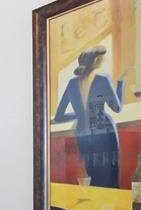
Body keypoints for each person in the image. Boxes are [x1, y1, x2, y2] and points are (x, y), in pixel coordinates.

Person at [53, 45, 124, 188]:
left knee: (93, 179)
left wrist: (80, 114)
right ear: (97, 60)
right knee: (110, 179)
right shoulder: (103, 79)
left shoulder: (72, 83)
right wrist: (121, 84)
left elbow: (59, 116)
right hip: (104, 133)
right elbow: (117, 108)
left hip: (83, 135)